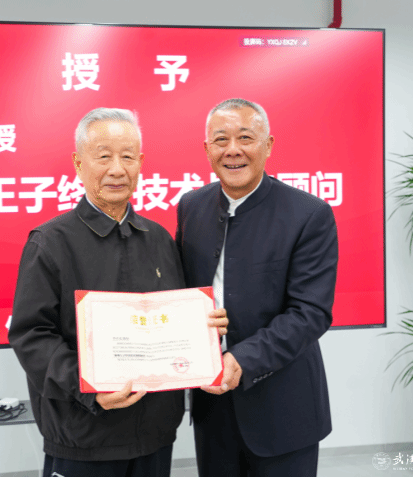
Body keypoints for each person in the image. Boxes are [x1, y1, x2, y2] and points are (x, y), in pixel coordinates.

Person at [9, 107, 227, 477]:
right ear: (79, 164)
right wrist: (89, 389)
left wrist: (205, 328)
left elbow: (175, 321)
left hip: (155, 433)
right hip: (83, 435)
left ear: (140, 164)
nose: (117, 169)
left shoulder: (159, 239)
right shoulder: (51, 242)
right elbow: (31, 335)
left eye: (127, 157)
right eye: (104, 156)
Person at [176, 98, 338, 477]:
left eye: (245, 138)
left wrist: (242, 360)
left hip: (283, 407)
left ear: (268, 145)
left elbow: (310, 313)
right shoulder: (191, 206)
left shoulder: (309, 214)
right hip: (212, 406)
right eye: (221, 140)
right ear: (207, 149)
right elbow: (182, 293)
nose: (232, 150)